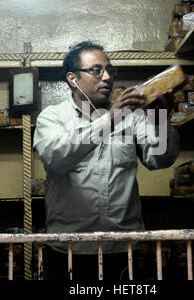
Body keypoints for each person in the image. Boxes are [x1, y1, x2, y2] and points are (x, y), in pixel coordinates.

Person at [33, 41, 180, 280]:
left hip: (122, 249)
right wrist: (110, 120)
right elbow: (55, 157)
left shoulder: (133, 117)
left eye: (110, 70)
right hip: (68, 250)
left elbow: (160, 160)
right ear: (73, 78)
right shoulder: (53, 117)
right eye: (96, 70)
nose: (107, 77)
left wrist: (161, 119)